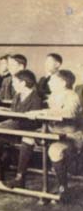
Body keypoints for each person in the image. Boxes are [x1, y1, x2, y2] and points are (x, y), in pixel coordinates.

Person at [0, 70, 43, 187]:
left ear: (23, 83)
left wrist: (10, 123)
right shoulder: (18, 95)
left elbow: (34, 122)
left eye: (15, 82)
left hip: (24, 132)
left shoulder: (36, 98)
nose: (12, 85)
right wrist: (0, 111)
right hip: (13, 130)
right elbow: (14, 113)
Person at [27, 70, 83, 198]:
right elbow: (51, 111)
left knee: (54, 151)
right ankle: (20, 177)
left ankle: (63, 187)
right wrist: (40, 112)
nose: (50, 82)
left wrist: (45, 113)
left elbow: (69, 113)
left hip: (69, 135)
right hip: (51, 132)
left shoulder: (71, 95)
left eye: (53, 80)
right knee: (27, 138)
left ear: (63, 83)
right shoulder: (54, 95)